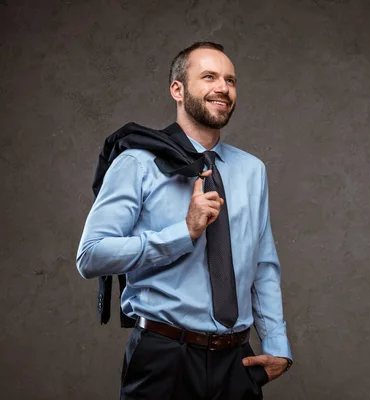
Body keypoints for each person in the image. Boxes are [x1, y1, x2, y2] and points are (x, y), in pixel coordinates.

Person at [76, 41, 292, 399]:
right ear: (178, 89)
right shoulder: (137, 163)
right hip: (164, 359)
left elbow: (263, 265)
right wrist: (184, 232)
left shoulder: (252, 170)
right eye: (209, 77)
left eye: (230, 80)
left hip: (236, 363)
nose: (222, 87)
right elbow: (91, 256)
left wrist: (277, 345)